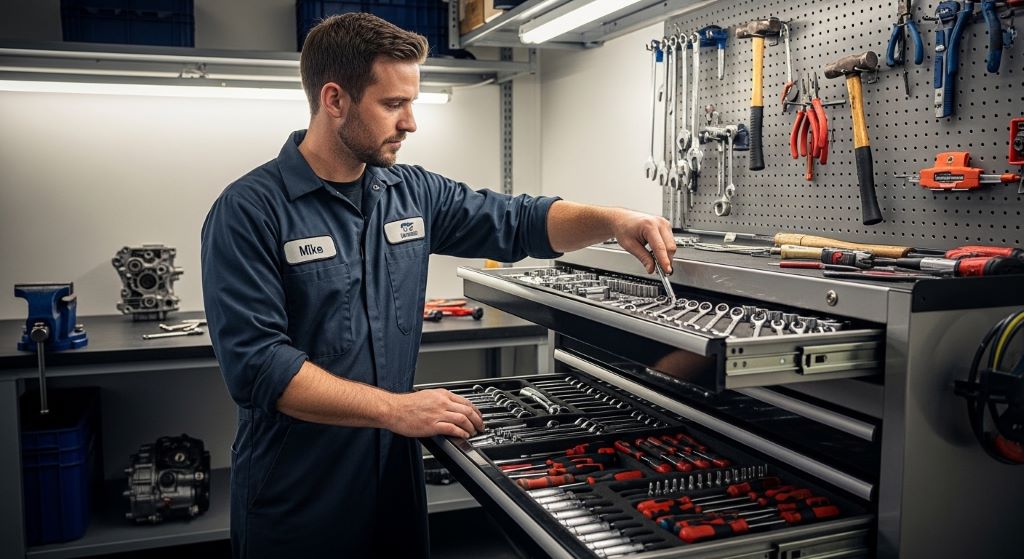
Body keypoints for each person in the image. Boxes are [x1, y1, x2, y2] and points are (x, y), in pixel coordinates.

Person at [200, 12, 675, 558]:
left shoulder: (411, 193)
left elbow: (518, 221)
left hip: (391, 481)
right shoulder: (249, 211)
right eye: (393, 104)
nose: (410, 123)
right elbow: (259, 367)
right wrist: (396, 410)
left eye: (413, 103)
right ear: (334, 100)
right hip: (299, 493)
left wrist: (614, 220)